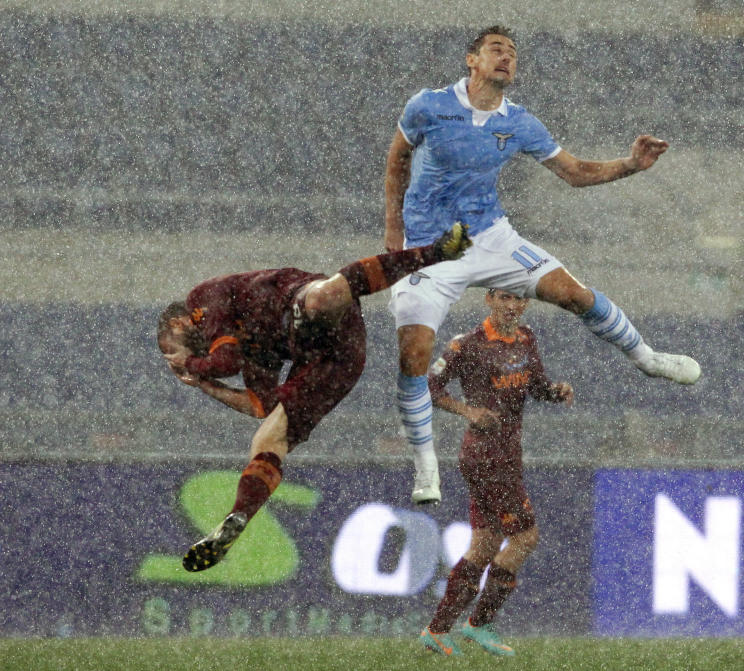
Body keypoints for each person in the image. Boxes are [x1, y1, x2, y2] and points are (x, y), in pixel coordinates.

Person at [384, 26, 701, 505]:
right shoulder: (427, 105)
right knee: (413, 353)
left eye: (512, 53)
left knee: (574, 294)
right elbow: (396, 162)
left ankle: (647, 359)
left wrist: (630, 165)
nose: (506, 58)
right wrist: (394, 237)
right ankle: (426, 462)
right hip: (429, 247)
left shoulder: (521, 123)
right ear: (472, 60)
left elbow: (574, 173)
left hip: (490, 237)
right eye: (496, 50)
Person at [157, 224, 471, 572]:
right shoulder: (253, 351)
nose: (171, 361)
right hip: (336, 361)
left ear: (177, 324)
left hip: (297, 303)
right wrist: (206, 386)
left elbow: (223, 360)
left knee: (321, 298)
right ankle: (239, 517)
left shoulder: (200, 300)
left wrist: (191, 364)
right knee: (268, 436)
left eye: (167, 350)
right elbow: (258, 405)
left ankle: (436, 252)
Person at [418, 288, 572, 657]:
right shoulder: (468, 344)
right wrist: (467, 410)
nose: (512, 305)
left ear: (526, 304)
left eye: (519, 298)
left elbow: (535, 386)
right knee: (525, 538)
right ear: (489, 299)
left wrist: (555, 391)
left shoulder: (525, 339)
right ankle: (478, 623)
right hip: (485, 458)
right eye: (505, 297)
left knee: (486, 544)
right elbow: (428, 385)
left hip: (507, 455)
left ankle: (438, 630)